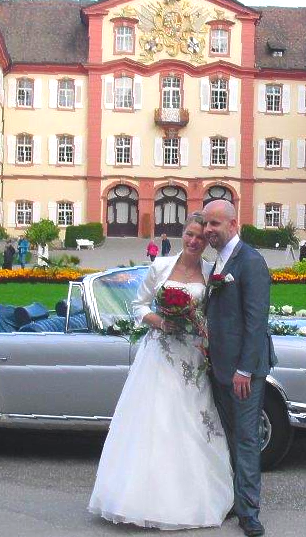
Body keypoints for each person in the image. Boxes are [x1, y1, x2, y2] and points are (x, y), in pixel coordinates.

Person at [89, 212, 233, 529]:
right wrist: (162, 321)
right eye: (190, 234)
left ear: (208, 241)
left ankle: (193, 497)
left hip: (192, 357)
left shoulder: (212, 274)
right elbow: (138, 306)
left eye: (200, 236)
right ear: (183, 235)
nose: (194, 241)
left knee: (192, 421)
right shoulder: (161, 267)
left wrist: (200, 328)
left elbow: (214, 315)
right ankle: (143, 499)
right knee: (156, 421)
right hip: (160, 354)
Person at [202, 200, 276, 537]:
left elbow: (256, 321)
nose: (208, 230)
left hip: (243, 372)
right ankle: (236, 498)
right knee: (231, 436)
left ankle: (249, 512)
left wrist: (245, 370)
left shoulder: (250, 262)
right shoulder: (219, 260)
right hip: (220, 367)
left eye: (214, 224)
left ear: (234, 224)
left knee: (246, 439)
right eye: (206, 224)